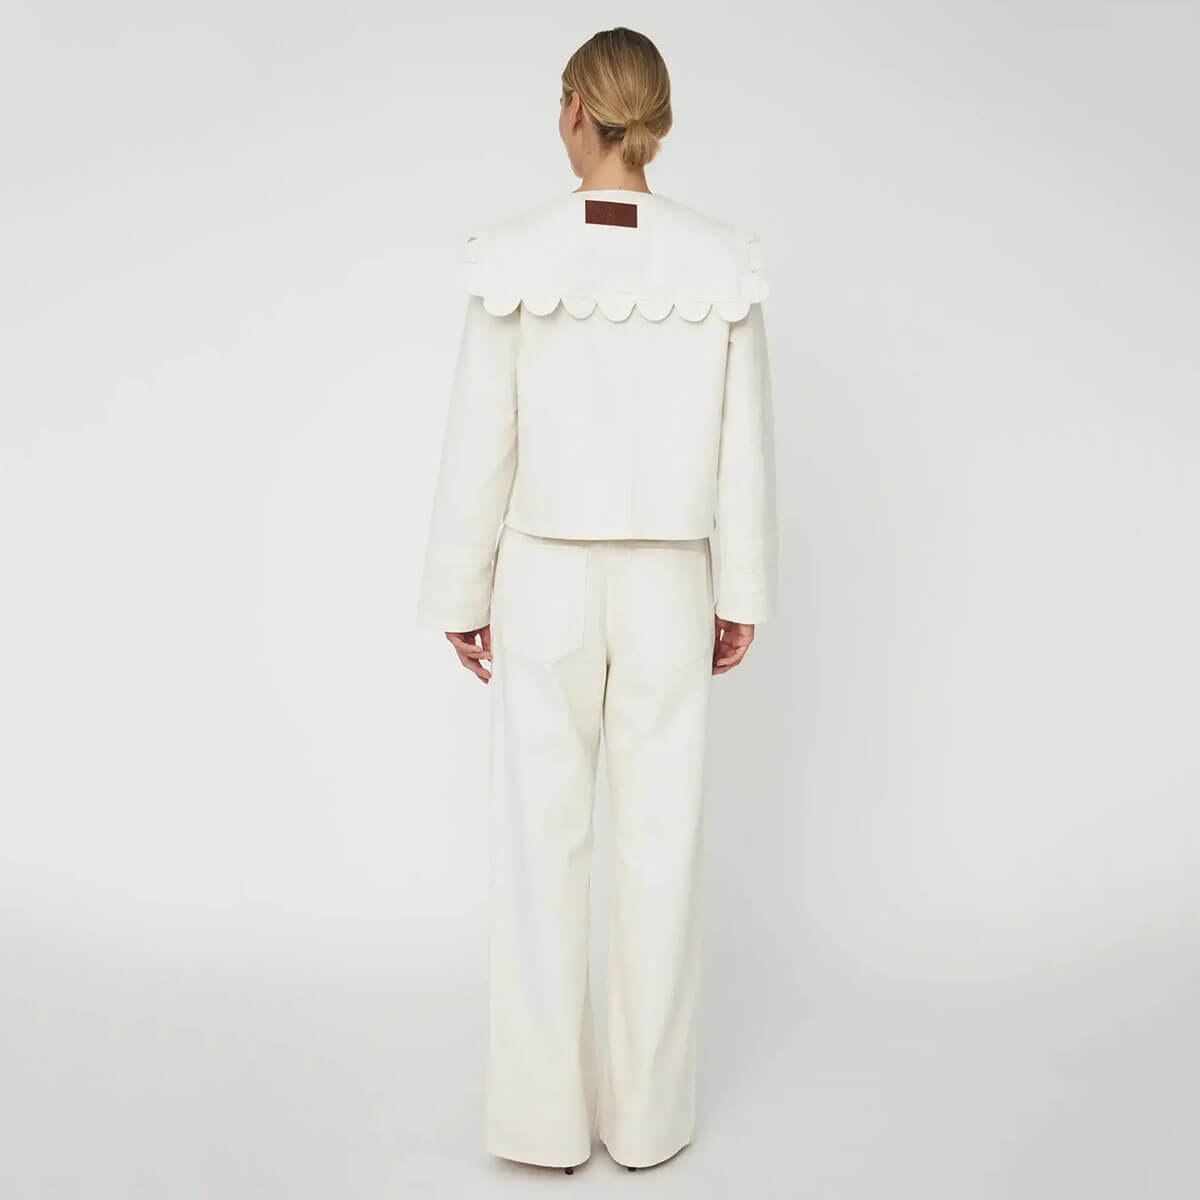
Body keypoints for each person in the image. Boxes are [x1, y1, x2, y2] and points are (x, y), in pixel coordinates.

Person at [418, 26, 778, 1174]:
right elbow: (744, 443)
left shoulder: (514, 254)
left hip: (544, 579)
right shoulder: (720, 261)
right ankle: (650, 1123)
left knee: (540, 850)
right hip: (673, 578)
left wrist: (460, 588)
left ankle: (541, 1127)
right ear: (653, 119)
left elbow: (482, 434)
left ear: (576, 108)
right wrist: (742, 588)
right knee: (660, 848)